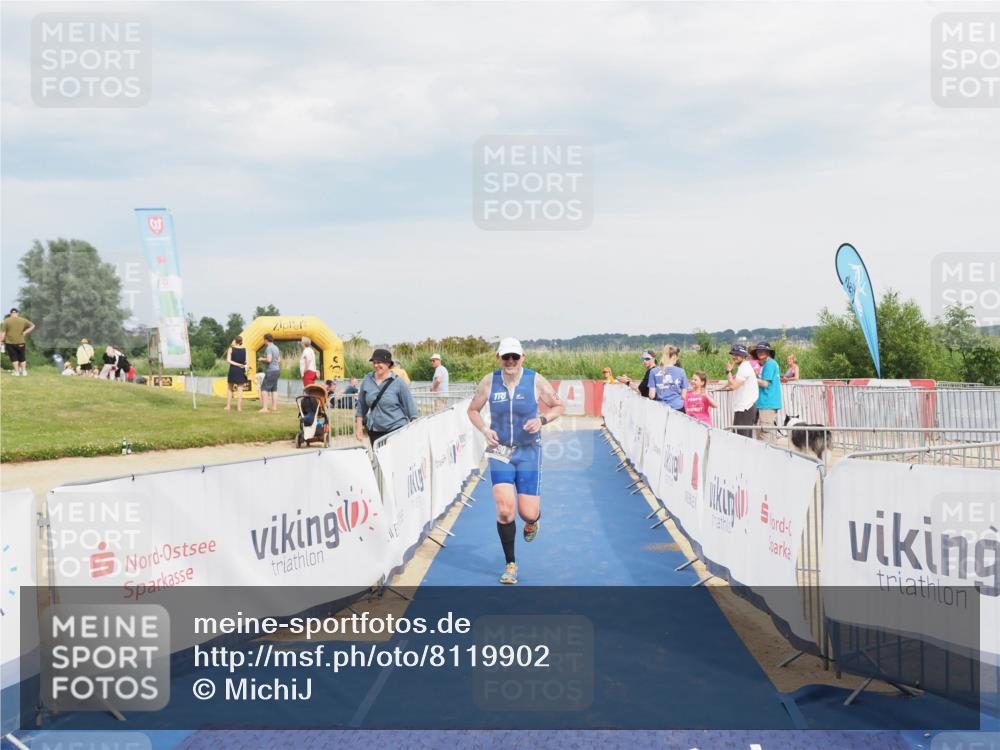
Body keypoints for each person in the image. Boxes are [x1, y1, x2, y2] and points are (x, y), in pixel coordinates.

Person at [467, 338, 565, 585]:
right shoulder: (490, 381)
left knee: (527, 513)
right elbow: (472, 410)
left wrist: (542, 420)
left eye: (515, 357)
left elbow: (559, 405)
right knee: (504, 509)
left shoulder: (535, 380)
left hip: (529, 451)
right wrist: (484, 430)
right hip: (500, 451)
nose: (510, 361)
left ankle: (533, 521)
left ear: (523, 357)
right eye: (505, 357)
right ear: (499, 357)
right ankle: (511, 563)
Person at [355, 348, 419, 445]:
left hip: (396, 430)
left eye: (379, 362)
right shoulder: (367, 380)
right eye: (374, 362)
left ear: (388, 364)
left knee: (395, 459)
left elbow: (411, 408)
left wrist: (415, 428)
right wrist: (359, 427)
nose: (376, 365)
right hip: (375, 431)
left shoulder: (399, 382)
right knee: (379, 460)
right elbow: (361, 406)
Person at [722, 343, 759, 437]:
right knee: (739, 436)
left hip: (745, 408)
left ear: (744, 355)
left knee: (743, 438)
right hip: (743, 407)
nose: (734, 357)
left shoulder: (745, 368)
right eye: (733, 354)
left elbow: (733, 386)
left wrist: (729, 371)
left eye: (737, 354)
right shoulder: (743, 367)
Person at [751, 341, 783, 442]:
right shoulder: (772, 363)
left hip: (767, 402)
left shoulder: (769, 364)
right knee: (769, 433)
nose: (760, 353)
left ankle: (767, 456)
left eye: (763, 351)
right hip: (770, 402)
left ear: (768, 352)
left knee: (764, 434)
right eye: (758, 351)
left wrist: (751, 378)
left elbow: (765, 383)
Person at [650, 344, 689, 411]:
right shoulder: (681, 371)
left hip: (661, 408)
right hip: (677, 407)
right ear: (674, 356)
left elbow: (651, 395)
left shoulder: (653, 371)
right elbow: (683, 396)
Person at [0, 308, 35, 376]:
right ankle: (24, 371)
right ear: (17, 313)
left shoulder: (6, 321)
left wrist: (1, 341)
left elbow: (3, 333)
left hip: (10, 342)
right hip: (21, 342)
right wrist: (25, 332)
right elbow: (33, 326)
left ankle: (17, 372)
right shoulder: (23, 320)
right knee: (22, 357)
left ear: (10, 313)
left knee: (14, 357)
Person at [258, 333, 281, 413]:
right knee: (274, 389)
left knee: (264, 389)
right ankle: (274, 407)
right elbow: (279, 360)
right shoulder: (276, 347)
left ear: (266, 340)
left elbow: (269, 360)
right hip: (277, 370)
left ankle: (265, 408)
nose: (263, 341)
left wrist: (261, 359)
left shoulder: (269, 348)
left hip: (271, 371)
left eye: (264, 340)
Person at [225, 335, 248, 411]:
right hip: (241, 369)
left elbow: (228, 360)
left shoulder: (231, 349)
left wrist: (237, 364)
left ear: (235, 341)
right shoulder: (245, 350)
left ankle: (228, 406)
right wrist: (243, 366)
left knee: (229, 388)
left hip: (233, 369)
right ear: (241, 341)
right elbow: (246, 362)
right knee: (240, 389)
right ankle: (239, 407)